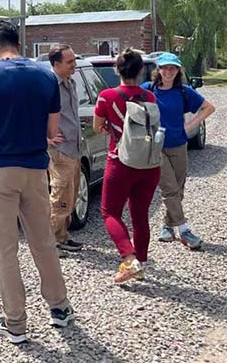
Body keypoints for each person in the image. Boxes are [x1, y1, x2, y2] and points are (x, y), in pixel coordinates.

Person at [0, 21, 73, 344]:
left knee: (5, 248)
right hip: (35, 167)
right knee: (43, 240)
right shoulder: (45, 74)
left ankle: (15, 322)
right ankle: (59, 307)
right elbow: (51, 130)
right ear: (18, 42)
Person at [93, 49, 160, 283]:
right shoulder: (149, 97)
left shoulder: (107, 95)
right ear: (141, 71)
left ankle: (130, 261)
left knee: (110, 212)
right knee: (140, 215)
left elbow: (97, 125)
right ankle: (140, 264)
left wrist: (111, 128)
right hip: (149, 163)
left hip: (120, 162)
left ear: (117, 70)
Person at [142, 52, 216, 249]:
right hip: (156, 147)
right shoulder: (148, 90)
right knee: (169, 188)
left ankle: (167, 227)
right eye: (164, 68)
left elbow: (208, 108)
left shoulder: (184, 92)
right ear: (158, 70)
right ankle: (184, 231)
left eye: (172, 68)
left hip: (179, 145)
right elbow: (125, 101)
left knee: (178, 190)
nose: (168, 71)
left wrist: (190, 125)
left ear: (178, 71)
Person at [46, 44, 84, 256]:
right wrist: (45, 136)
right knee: (60, 195)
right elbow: (33, 112)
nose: (74, 65)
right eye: (69, 62)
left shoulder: (70, 83)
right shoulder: (48, 85)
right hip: (60, 150)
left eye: (74, 60)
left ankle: (62, 236)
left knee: (71, 195)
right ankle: (51, 243)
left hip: (74, 148)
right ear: (56, 64)